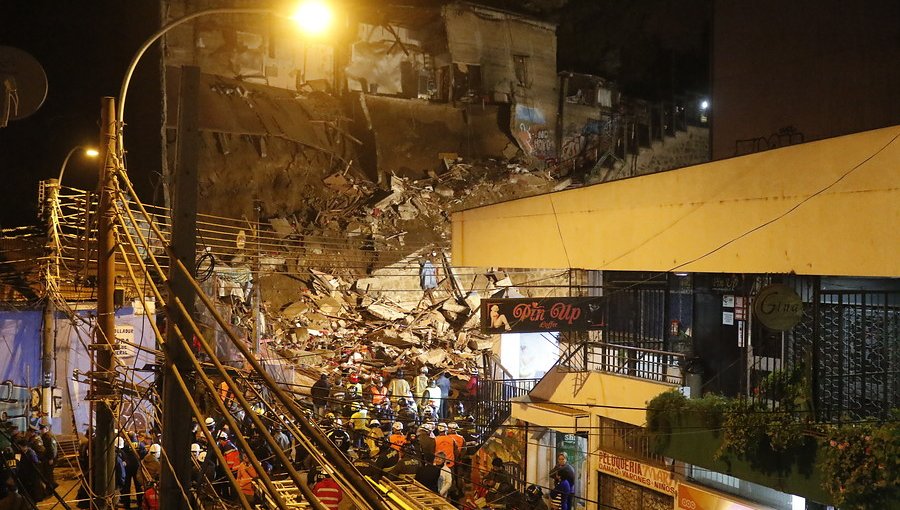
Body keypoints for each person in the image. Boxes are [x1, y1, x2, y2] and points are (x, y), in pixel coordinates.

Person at [37, 423, 58, 492]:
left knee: (48, 474)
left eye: (42, 429)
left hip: (49, 458)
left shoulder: (49, 437)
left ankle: (51, 488)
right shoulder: (44, 436)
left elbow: (53, 449)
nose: (41, 430)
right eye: (41, 429)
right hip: (47, 458)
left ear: (46, 429)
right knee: (47, 473)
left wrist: (51, 458)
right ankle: (52, 485)